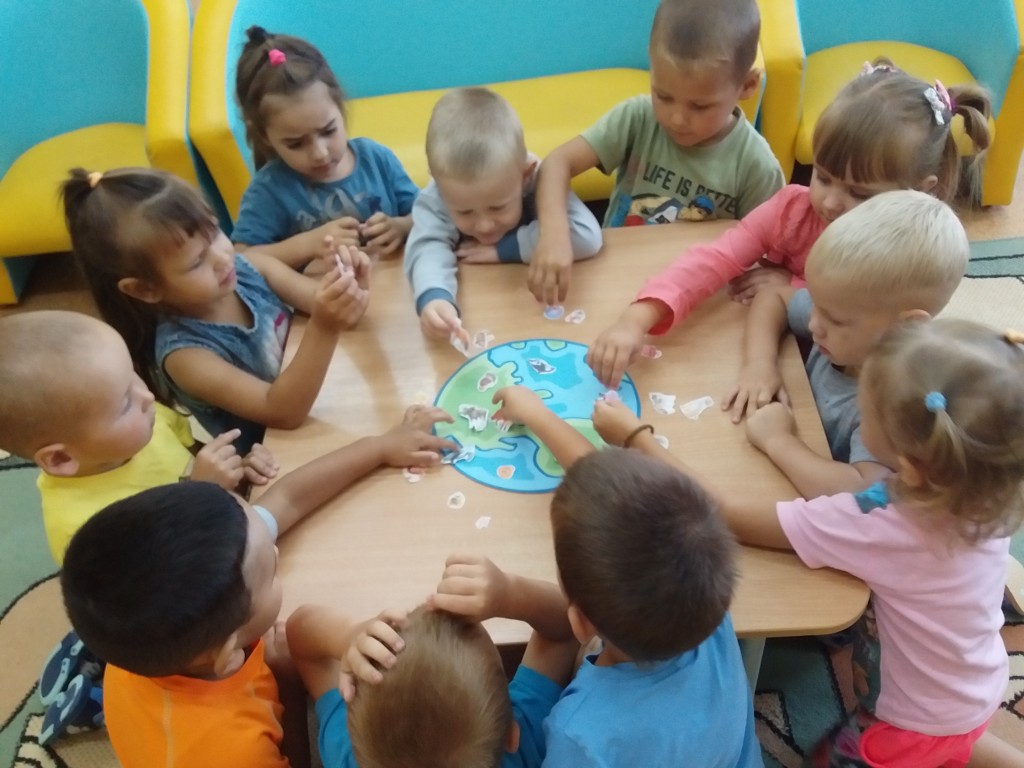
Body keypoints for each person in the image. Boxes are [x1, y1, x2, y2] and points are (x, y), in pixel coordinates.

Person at [590, 319, 1024, 768]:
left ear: (911, 468)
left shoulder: (880, 526)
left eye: (865, 413)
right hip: (978, 684)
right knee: (957, 737)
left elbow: (721, 513)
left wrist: (634, 436)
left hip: (909, 723)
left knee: (834, 758)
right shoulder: (986, 493)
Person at [59, 404, 458, 768]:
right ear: (229, 653)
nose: (277, 551)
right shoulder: (235, 751)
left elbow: (288, 499)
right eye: (271, 572)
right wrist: (288, 685)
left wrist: (380, 447)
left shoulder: (145, 634)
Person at [588, 61, 993, 388]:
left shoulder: (912, 259)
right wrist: (638, 317)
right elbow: (715, 258)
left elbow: (870, 328)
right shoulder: (792, 210)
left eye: (859, 193)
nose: (830, 202)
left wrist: (793, 287)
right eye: (823, 176)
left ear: (920, 191)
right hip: (773, 352)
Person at [0, 309, 276, 743]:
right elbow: (155, 592)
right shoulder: (82, 526)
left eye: (134, 377)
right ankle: (93, 692)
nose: (148, 397)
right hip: (153, 611)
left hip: (198, 544)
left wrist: (236, 466)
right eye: (124, 402)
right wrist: (199, 490)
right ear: (60, 458)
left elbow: (190, 451)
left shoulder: (142, 425)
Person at [483, 386, 762, 766]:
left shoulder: (579, 736)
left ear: (581, 623)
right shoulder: (705, 606)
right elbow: (622, 511)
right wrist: (538, 415)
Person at [62, 166, 371, 455]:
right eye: (197, 261)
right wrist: (324, 325)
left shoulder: (249, 268)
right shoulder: (185, 356)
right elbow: (283, 412)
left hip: (321, 411)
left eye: (215, 233)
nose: (223, 257)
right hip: (275, 458)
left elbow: (331, 306)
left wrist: (349, 284)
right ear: (145, 289)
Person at [529, 0, 784, 305]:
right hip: (616, 280)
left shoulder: (757, 166)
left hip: (696, 300)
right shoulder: (637, 118)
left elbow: (774, 248)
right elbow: (557, 163)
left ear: (747, 85)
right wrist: (554, 235)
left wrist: (779, 275)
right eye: (663, 96)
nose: (677, 119)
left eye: (699, 106)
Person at [725, 190, 968, 499]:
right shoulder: (843, 310)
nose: (813, 323)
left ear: (904, 327)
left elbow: (862, 493)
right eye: (815, 303)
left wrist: (779, 441)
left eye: (835, 320)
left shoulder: (895, 403)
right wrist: (760, 363)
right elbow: (773, 296)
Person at [286, 554, 580, 768]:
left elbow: (299, 632)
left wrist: (348, 635)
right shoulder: (524, 746)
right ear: (511, 737)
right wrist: (510, 593)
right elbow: (564, 632)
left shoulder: (345, 756)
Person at [403, 87, 602, 343]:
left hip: (535, 314)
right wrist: (435, 297)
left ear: (525, 175)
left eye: (498, 208)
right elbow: (427, 247)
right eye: (465, 212)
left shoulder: (540, 181)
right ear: (438, 185)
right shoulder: (437, 195)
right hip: (482, 311)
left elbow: (586, 236)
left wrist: (506, 249)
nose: (484, 226)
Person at [232, 26, 419, 265]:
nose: (320, 154)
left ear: (339, 106)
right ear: (264, 135)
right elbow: (241, 259)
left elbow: (430, 214)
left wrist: (401, 226)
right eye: (296, 144)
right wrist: (307, 245)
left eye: (328, 131)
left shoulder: (376, 159)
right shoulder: (269, 190)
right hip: (322, 289)